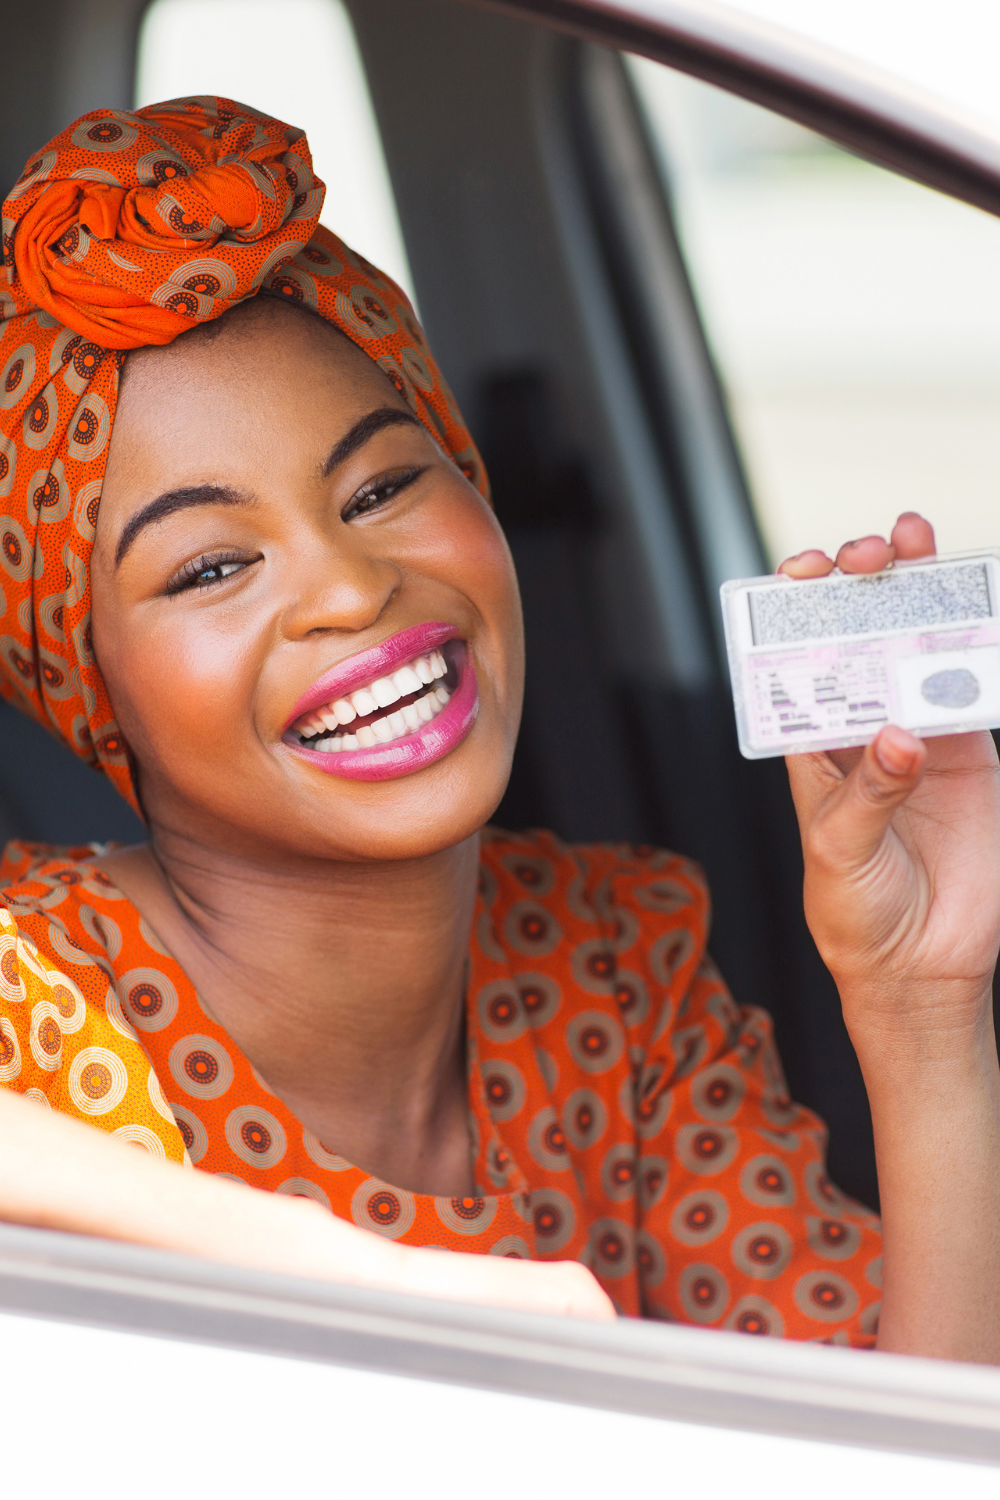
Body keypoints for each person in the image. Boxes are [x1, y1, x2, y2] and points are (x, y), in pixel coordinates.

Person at [2, 97, 999, 1356]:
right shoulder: (38, 994)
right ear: (90, 685)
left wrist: (920, 1007)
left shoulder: (615, 963)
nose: (353, 589)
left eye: (381, 486)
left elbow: (909, 1459)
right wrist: (374, 1283)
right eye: (208, 569)